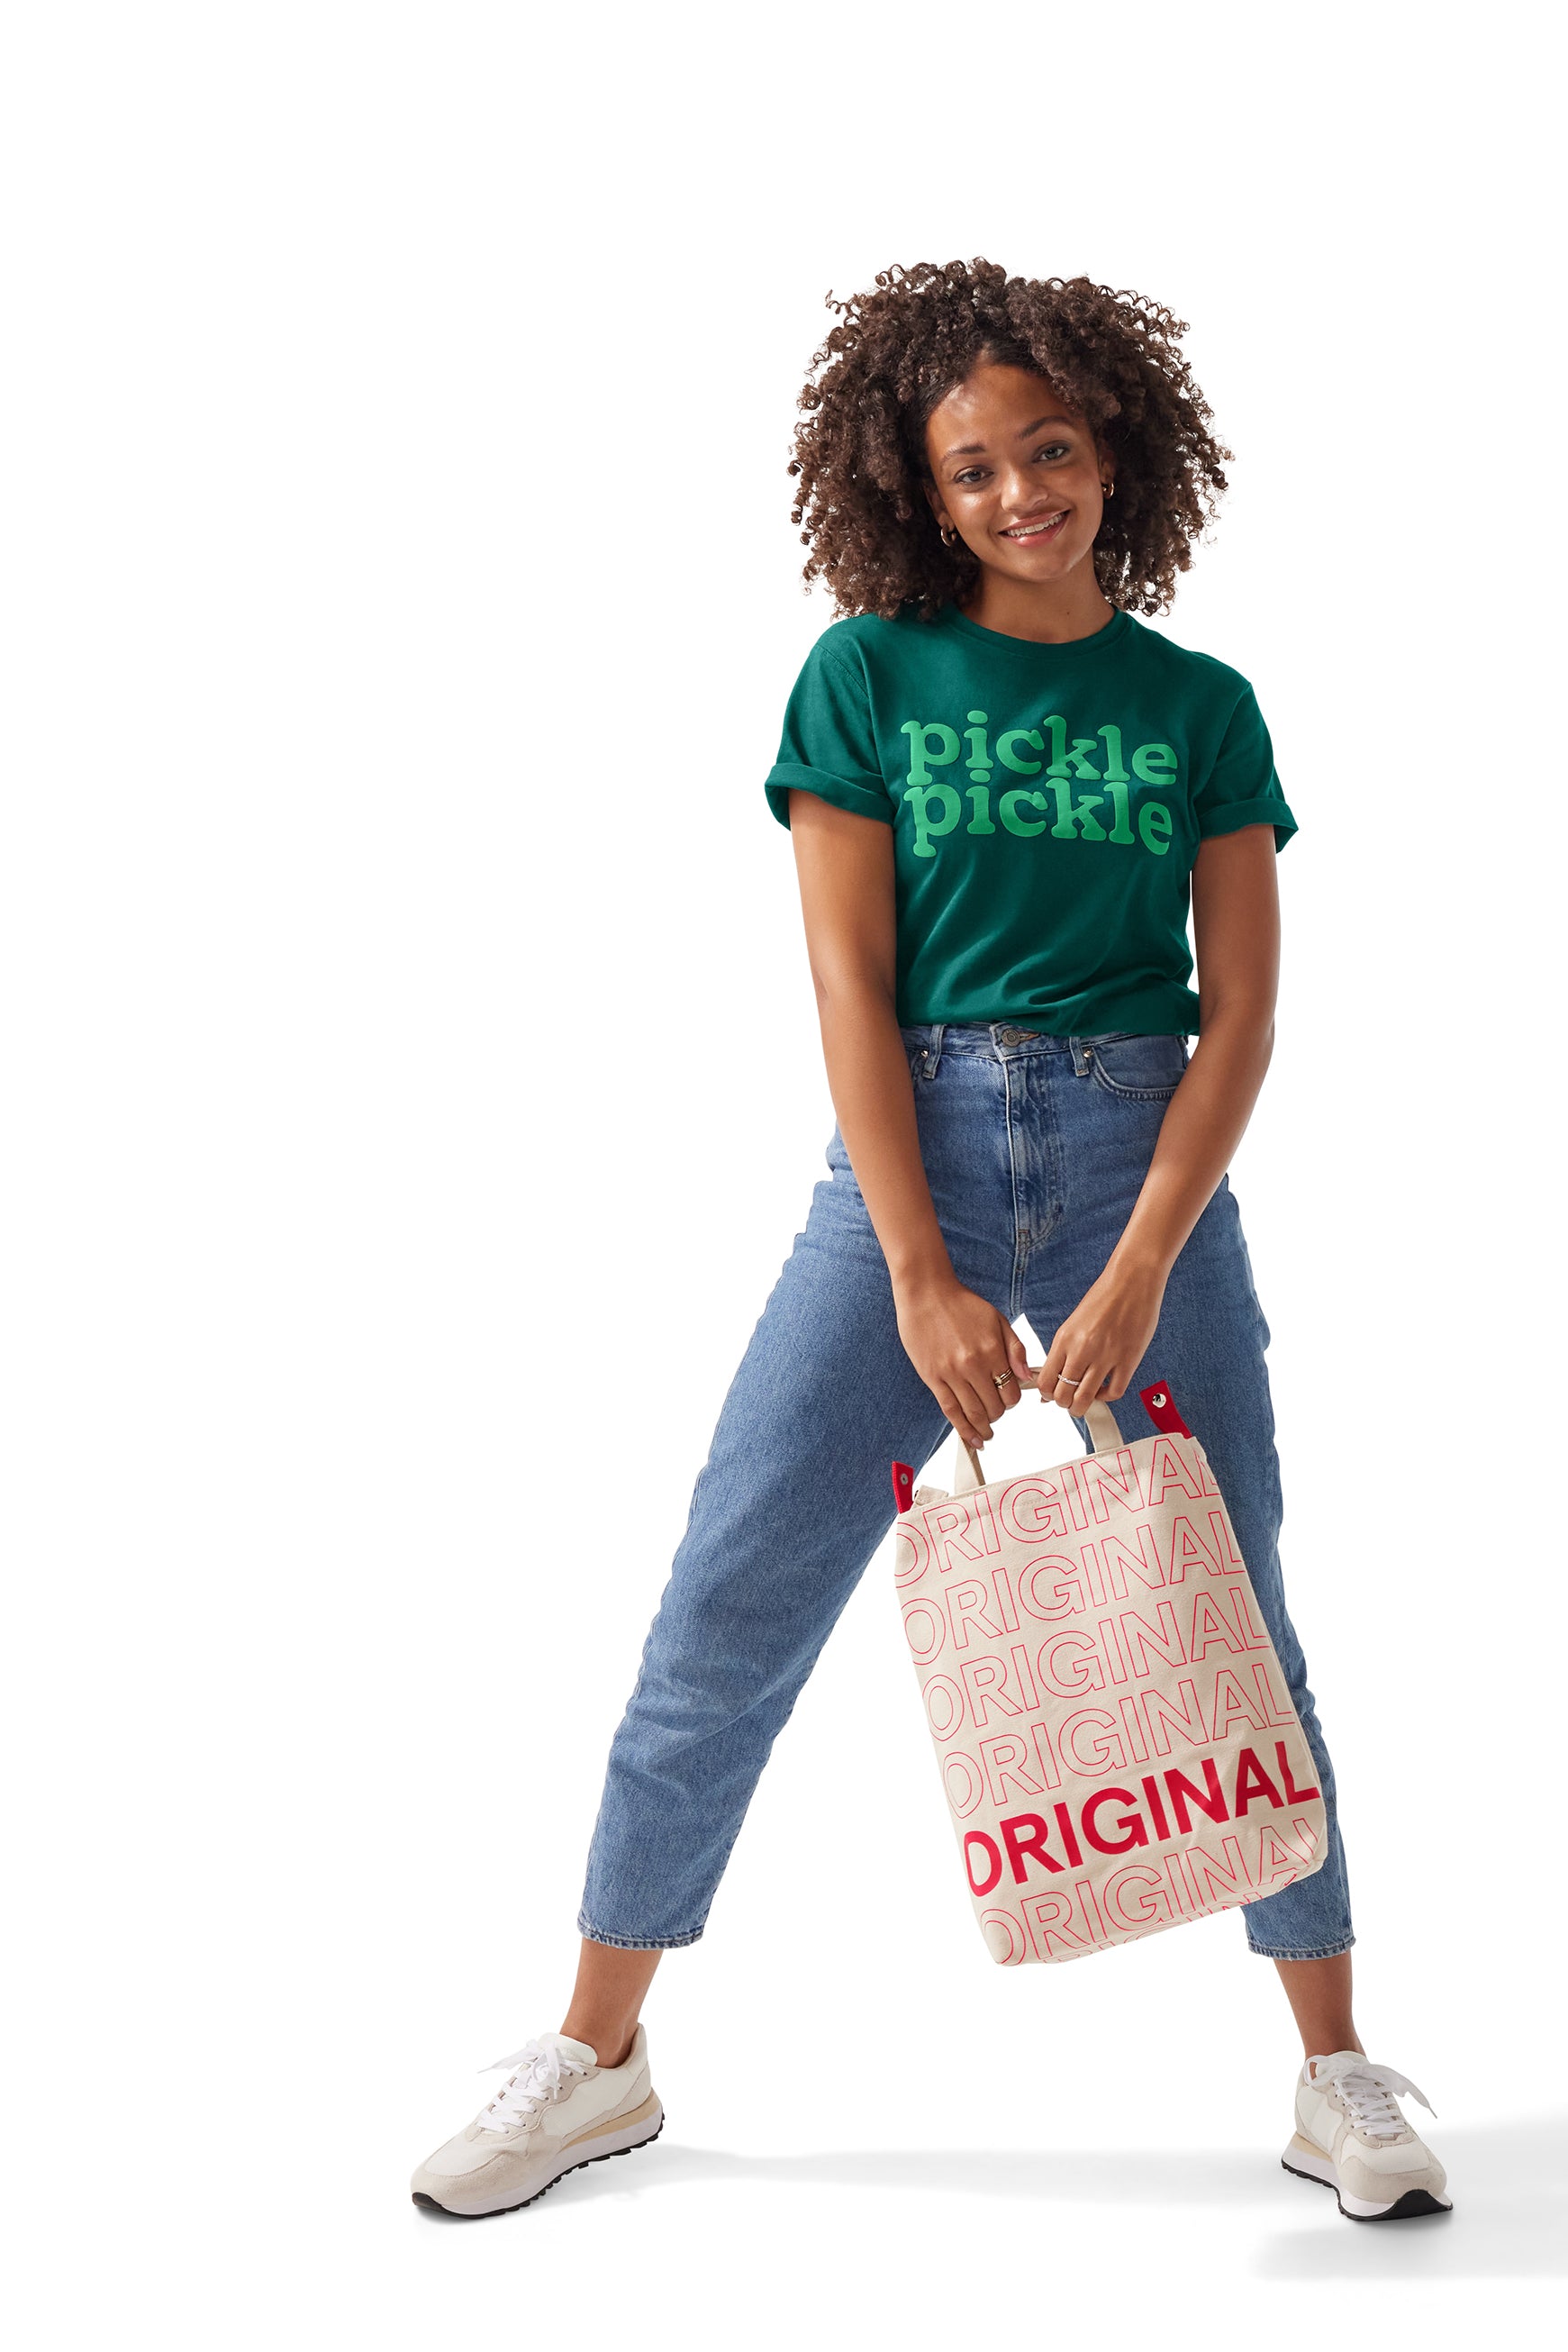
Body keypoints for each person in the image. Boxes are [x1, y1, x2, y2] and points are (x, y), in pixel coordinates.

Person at [411, 261, 1449, 2226]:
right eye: (971, 469)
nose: (1016, 493)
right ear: (920, 489)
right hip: (922, 1152)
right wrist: (913, 1263)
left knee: (1232, 1611)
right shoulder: (866, 679)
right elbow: (845, 983)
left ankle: (1334, 2074)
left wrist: (1146, 1258)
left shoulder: (1197, 706)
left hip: (1154, 1158)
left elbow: (1243, 1016)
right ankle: (598, 2052)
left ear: (1110, 446)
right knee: (728, 1599)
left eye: (1046, 450)